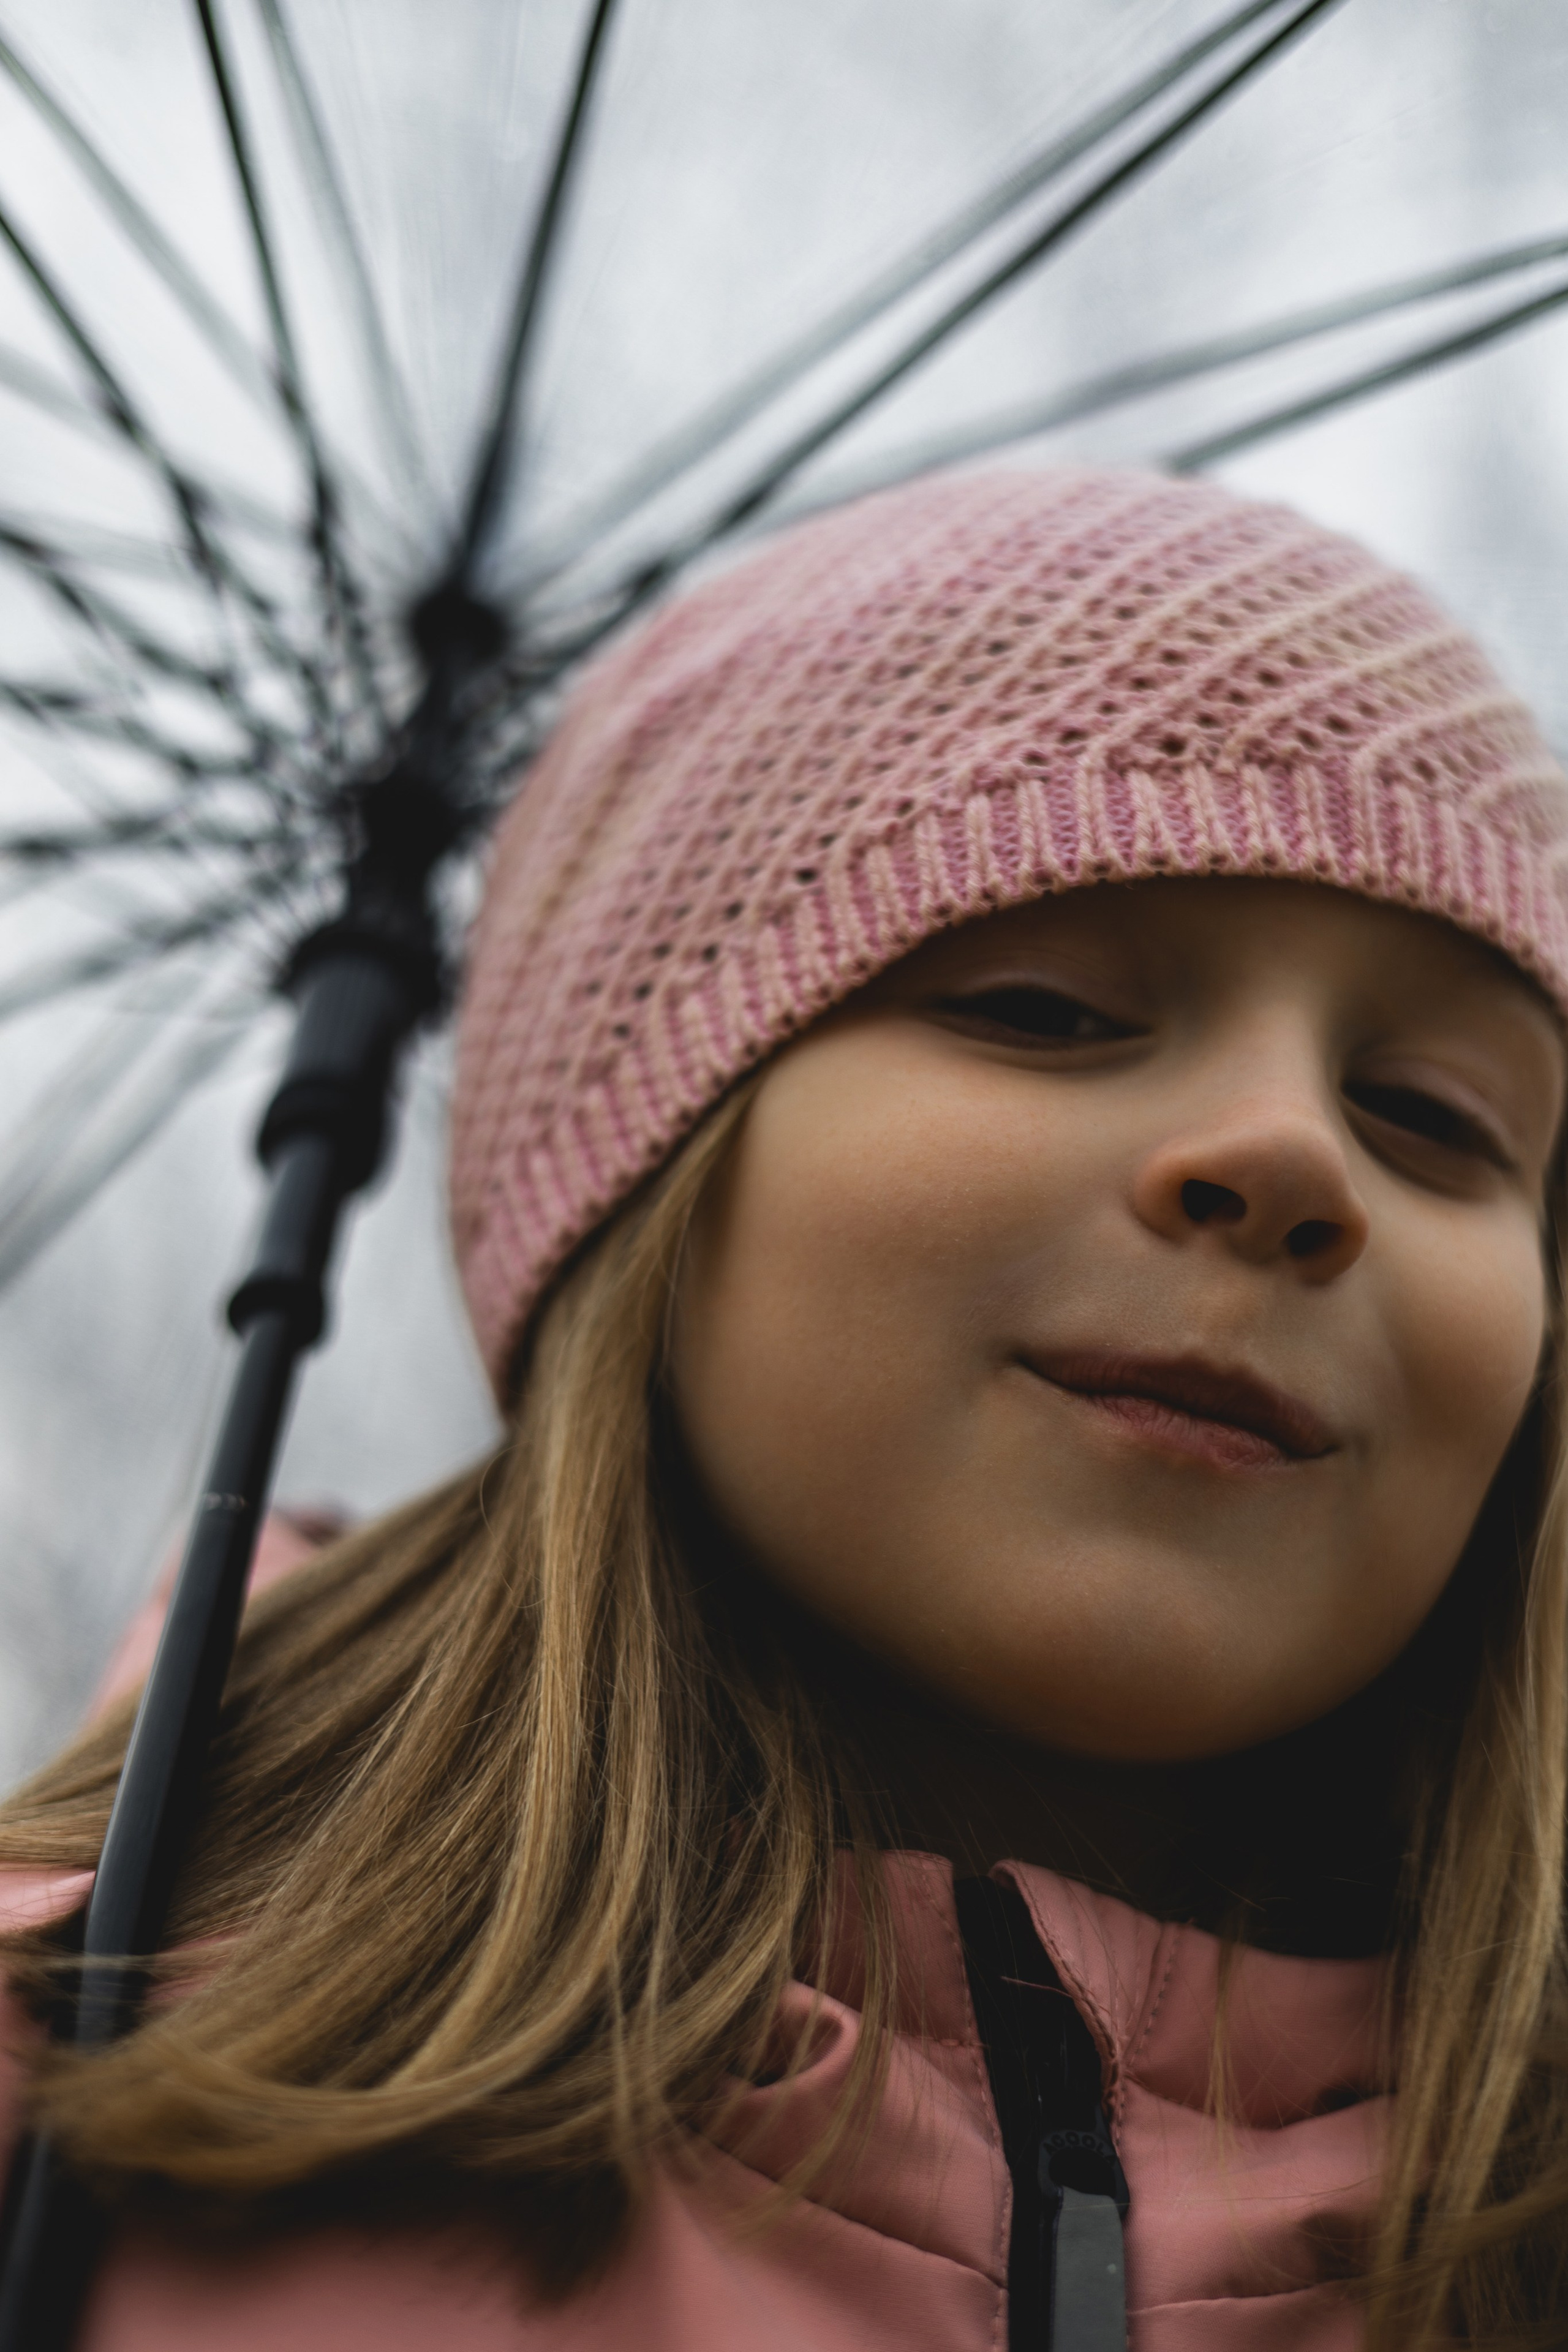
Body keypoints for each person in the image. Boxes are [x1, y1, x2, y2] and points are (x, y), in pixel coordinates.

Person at [2, 466, 1566, 2350]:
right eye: (1048, 1008)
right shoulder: (73, 2087)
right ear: (640, 1175)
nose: (1293, 1155)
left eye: (1436, 1119)